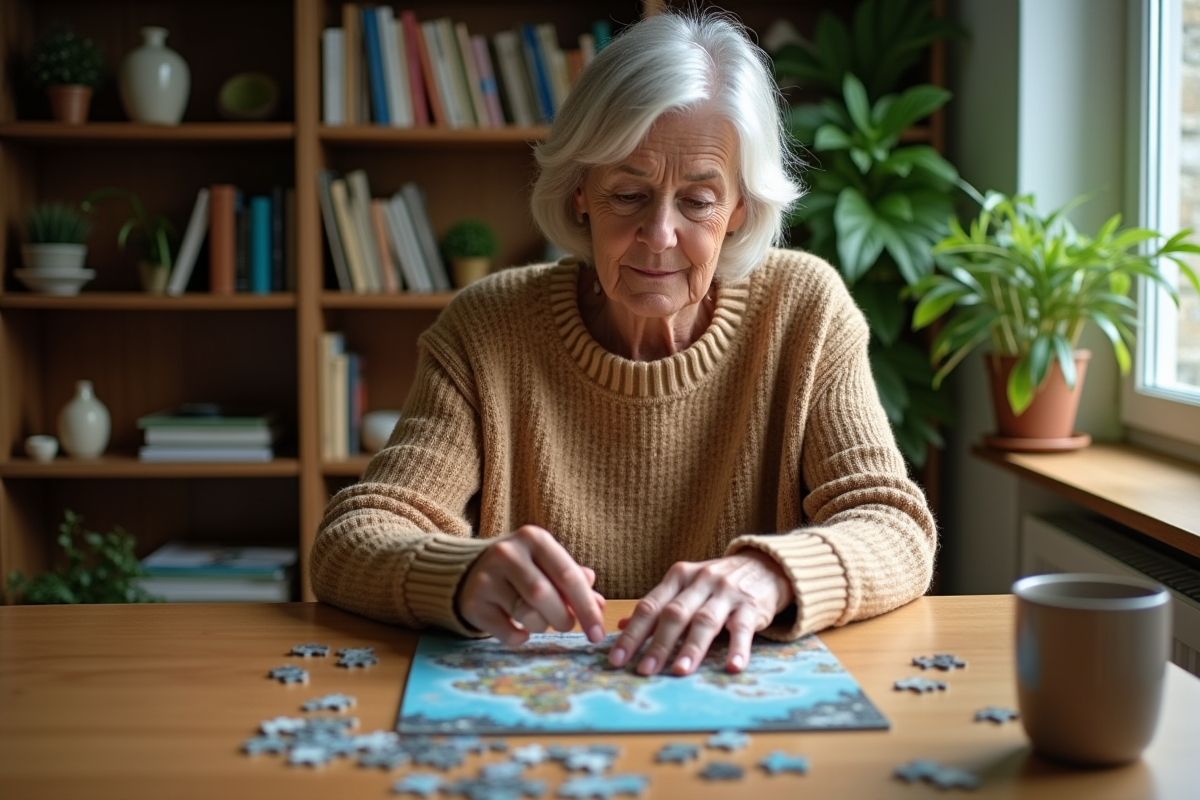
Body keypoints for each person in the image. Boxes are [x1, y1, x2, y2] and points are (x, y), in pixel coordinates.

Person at [311, 10, 937, 678]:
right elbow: (351, 540)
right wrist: (460, 574)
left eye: (698, 200)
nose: (660, 234)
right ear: (580, 192)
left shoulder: (805, 311)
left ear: (740, 211)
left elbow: (894, 527)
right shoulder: (487, 327)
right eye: (629, 193)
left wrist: (771, 574)